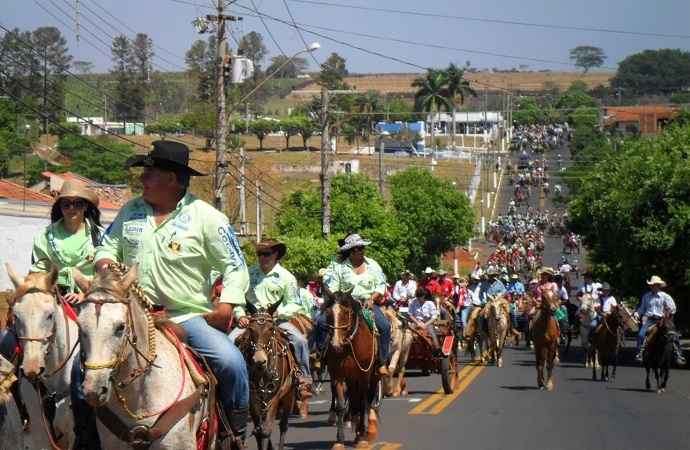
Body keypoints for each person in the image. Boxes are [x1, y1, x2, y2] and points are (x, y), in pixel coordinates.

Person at [93, 140, 250, 449]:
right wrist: (105, 263)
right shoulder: (130, 210)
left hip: (185, 316)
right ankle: (85, 434)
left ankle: (234, 434)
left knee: (232, 363)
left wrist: (227, 305)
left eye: (149, 172)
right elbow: (105, 246)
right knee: (82, 369)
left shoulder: (207, 217)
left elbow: (236, 265)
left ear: (172, 178)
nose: (142, 179)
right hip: (132, 317)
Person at [0, 180, 104, 449]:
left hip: (86, 298)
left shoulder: (99, 237)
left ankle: (102, 408)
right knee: (6, 342)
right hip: (49, 295)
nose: (72, 208)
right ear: (59, 206)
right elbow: (36, 270)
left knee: (104, 343)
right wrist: (45, 287)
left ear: (86, 207)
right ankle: (15, 407)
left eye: (78, 203)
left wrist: (85, 292)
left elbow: (103, 275)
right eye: (66, 203)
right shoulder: (44, 237)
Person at [229, 238, 313, 400]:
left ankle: (304, 379)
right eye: (259, 254)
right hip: (251, 320)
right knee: (229, 341)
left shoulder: (286, 277)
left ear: (275, 255)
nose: (262, 257)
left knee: (300, 340)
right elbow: (237, 298)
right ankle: (228, 381)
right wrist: (239, 315)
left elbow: (295, 304)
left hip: (276, 320)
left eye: (266, 254)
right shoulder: (247, 273)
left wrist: (279, 312)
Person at [312, 234, 392, 376]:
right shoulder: (340, 267)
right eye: (358, 249)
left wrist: (372, 299)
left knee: (385, 326)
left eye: (363, 248)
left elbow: (381, 285)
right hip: (345, 303)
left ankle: (382, 362)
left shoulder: (372, 265)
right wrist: (337, 297)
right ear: (350, 251)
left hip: (366, 303)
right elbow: (333, 285)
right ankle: (321, 357)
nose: (362, 251)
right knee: (322, 322)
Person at [634, 276, 685, 366]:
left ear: (658, 286)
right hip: (650, 320)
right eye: (651, 285)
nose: (652, 287)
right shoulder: (646, 296)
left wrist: (668, 309)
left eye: (653, 285)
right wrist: (637, 313)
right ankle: (639, 354)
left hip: (662, 320)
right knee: (640, 335)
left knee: (675, 336)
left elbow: (674, 309)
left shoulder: (665, 297)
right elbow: (642, 308)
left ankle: (678, 356)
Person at [408, 287, 441, 355]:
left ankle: (437, 347)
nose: (418, 299)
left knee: (431, 331)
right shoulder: (413, 302)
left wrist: (425, 325)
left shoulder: (430, 303)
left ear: (424, 296)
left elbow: (434, 317)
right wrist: (418, 323)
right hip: (416, 323)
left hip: (428, 323)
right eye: (417, 297)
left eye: (420, 297)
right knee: (409, 329)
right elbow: (410, 315)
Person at [587, 282, 616, 346]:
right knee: (592, 325)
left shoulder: (612, 298)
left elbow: (614, 307)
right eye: (604, 291)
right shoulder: (599, 298)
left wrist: (610, 312)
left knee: (619, 325)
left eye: (607, 291)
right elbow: (596, 308)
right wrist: (602, 314)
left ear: (609, 291)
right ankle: (590, 339)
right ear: (602, 291)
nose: (605, 292)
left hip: (610, 315)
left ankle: (621, 340)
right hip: (601, 315)